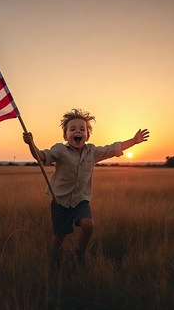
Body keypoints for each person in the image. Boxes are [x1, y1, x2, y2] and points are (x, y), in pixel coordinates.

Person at [23, 108, 150, 266]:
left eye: (82, 129)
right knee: (59, 236)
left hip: (81, 200)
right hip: (60, 200)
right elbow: (41, 156)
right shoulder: (60, 150)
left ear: (87, 135)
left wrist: (133, 140)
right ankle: (53, 258)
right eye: (73, 129)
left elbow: (112, 149)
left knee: (88, 225)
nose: (78, 131)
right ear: (65, 135)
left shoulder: (93, 152)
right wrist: (31, 144)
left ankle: (79, 254)